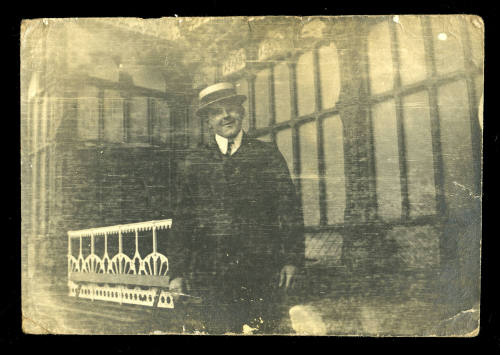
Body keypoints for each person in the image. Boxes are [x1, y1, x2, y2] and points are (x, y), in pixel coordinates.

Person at [168, 82, 304, 334]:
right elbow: (182, 220)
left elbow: (288, 209)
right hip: (210, 274)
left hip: (261, 271)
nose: (225, 116)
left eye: (230, 108)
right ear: (208, 121)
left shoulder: (267, 155)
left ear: (241, 112)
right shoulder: (193, 162)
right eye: (217, 112)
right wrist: (176, 272)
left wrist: (292, 259)